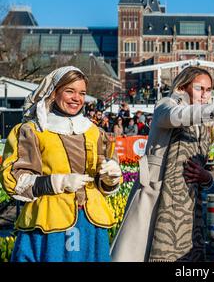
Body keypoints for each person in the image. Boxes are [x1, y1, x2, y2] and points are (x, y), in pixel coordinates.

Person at [110, 66, 214, 262]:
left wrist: (207, 178)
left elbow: (204, 169)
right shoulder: (166, 105)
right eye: (199, 88)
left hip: (189, 205)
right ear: (182, 88)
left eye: (208, 89)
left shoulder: (204, 123)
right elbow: (176, 116)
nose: (205, 95)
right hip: (156, 198)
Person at [0, 66, 122, 262]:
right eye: (70, 91)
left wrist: (111, 178)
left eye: (82, 93)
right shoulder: (32, 131)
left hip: (91, 224)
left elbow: (104, 184)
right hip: (48, 224)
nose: (77, 98)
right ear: (53, 93)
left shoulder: (95, 132)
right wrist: (58, 182)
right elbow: (13, 180)